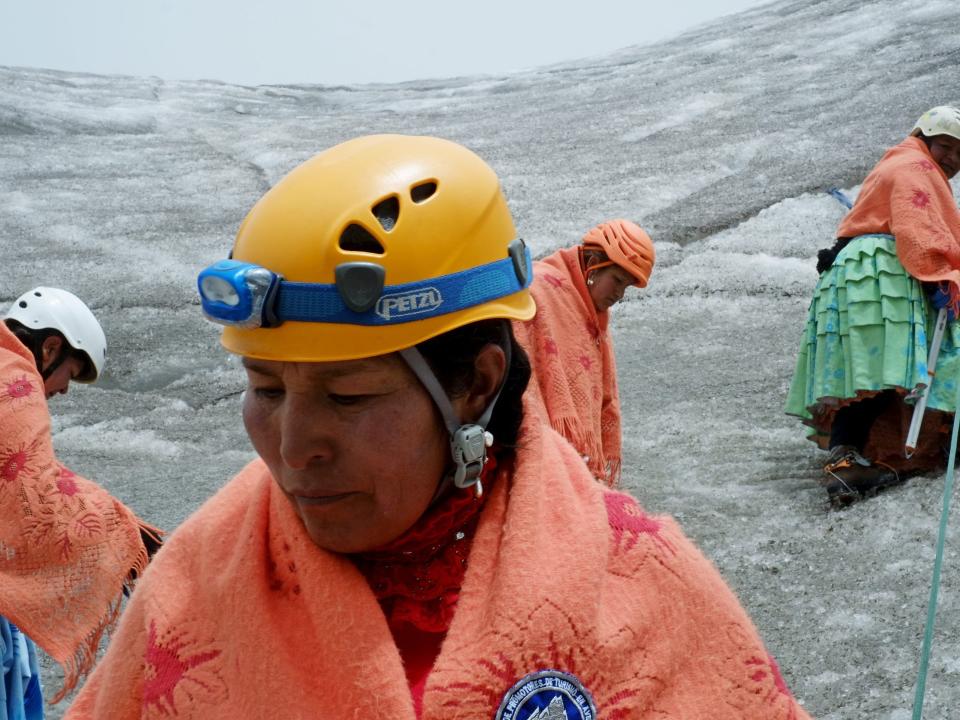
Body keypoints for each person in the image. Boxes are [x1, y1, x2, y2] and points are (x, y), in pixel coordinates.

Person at [67, 134, 809, 719]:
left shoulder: (642, 592)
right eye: (265, 387)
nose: (292, 450)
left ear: (475, 384)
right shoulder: (196, 590)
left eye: (348, 396)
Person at [786, 105, 960, 505]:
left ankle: (847, 457)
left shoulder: (898, 160)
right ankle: (865, 458)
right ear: (925, 137)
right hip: (882, 272)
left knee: (864, 365)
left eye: (959, 154)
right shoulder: (917, 168)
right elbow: (919, 232)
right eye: (946, 146)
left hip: (853, 270)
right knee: (891, 364)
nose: (951, 159)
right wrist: (940, 274)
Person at [0, 287, 161, 712]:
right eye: (69, 373)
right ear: (49, 347)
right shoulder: (15, 381)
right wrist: (125, 540)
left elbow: (26, 476)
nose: (65, 391)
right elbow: (35, 504)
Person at [513, 219, 654, 486]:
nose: (619, 295)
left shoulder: (589, 310)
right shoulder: (539, 292)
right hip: (533, 446)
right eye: (618, 281)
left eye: (626, 287)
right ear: (593, 263)